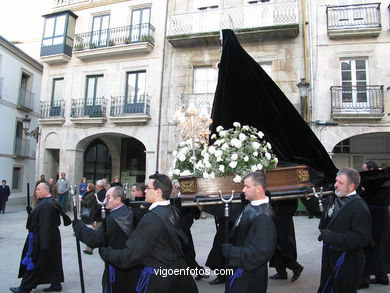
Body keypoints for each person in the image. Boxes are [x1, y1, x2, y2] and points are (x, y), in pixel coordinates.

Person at [99, 173, 198, 293]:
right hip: (179, 275)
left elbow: (132, 254)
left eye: (148, 188)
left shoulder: (151, 218)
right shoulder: (172, 210)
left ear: (158, 192)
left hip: (161, 280)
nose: (145, 191)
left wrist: (109, 254)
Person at [73, 186, 139, 293]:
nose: (104, 201)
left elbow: (94, 240)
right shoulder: (124, 211)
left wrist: (79, 227)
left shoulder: (113, 219)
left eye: (108, 197)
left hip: (118, 268)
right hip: (124, 265)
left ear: (118, 199)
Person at [318, 168, 373, 293]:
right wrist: (307, 197)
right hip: (331, 255)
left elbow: (362, 238)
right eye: (336, 181)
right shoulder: (335, 197)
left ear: (351, 186)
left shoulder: (359, 207)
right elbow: (320, 212)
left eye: (340, 183)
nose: (335, 185)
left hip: (345, 261)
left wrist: (333, 237)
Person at [10, 182, 71, 293]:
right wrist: (32, 213)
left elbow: (45, 225)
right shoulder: (47, 202)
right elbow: (41, 220)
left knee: (35, 261)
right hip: (49, 237)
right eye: (36, 189)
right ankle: (56, 284)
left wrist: (44, 244)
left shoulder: (46, 205)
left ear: (46, 190)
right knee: (52, 260)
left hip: (42, 238)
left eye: (38, 189)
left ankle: (25, 288)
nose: (35, 191)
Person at [221, 171, 277, 293]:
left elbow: (261, 252)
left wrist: (233, 251)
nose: (243, 190)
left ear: (259, 189)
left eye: (247, 186)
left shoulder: (264, 217)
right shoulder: (252, 206)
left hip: (250, 273)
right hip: (241, 267)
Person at [359, 161, 390, 288]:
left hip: (372, 213)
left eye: (365, 169)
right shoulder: (384, 177)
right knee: (380, 244)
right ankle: (381, 275)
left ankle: (364, 279)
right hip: (382, 213)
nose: (364, 172)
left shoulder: (374, 180)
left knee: (367, 245)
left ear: (372, 169)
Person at [269, 198, 304, 281]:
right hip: (277, 214)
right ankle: (281, 272)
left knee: (282, 246)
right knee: (275, 247)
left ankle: (296, 267)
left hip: (283, 216)